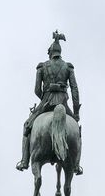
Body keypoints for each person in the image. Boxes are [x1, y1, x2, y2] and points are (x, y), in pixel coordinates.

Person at [19, 31, 82, 174]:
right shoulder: (68, 67)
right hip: (63, 103)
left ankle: (24, 161)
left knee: (27, 126)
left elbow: (36, 90)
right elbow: (75, 90)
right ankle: (77, 165)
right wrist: (76, 112)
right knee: (76, 131)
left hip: (46, 102)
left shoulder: (42, 67)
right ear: (60, 52)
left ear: (50, 53)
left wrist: (45, 96)